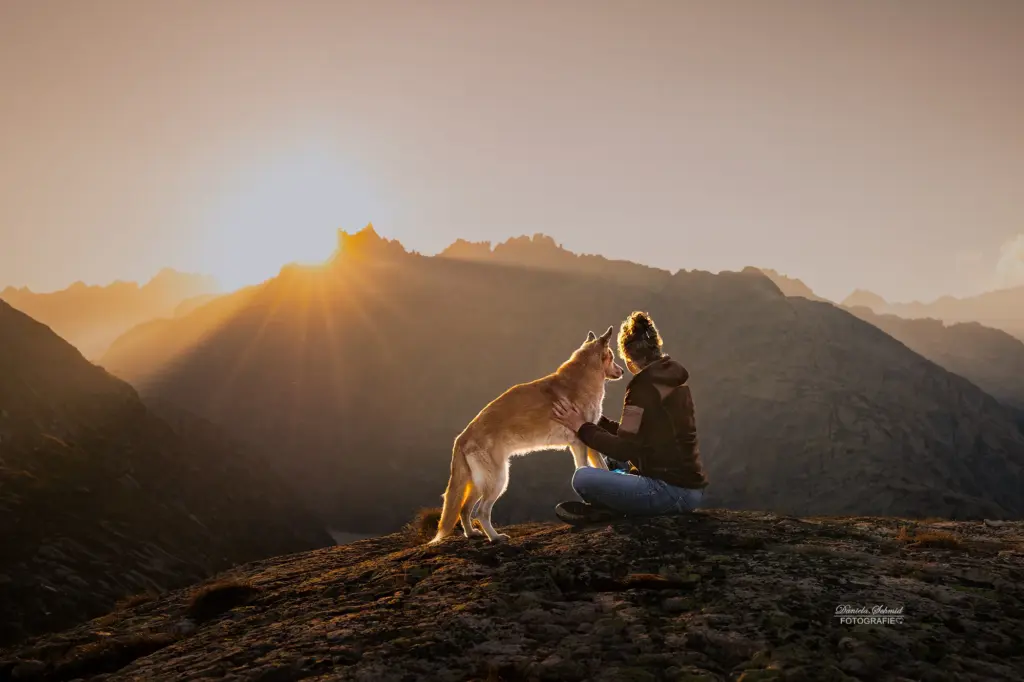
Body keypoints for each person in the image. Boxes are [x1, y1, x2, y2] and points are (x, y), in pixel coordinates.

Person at [550, 311, 708, 524]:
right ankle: (615, 504)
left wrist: (581, 426)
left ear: (629, 359)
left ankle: (609, 509)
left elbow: (624, 449)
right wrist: (594, 419)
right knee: (609, 462)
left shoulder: (642, 388)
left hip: (667, 491)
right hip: (690, 489)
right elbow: (638, 436)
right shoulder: (672, 378)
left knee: (583, 477)